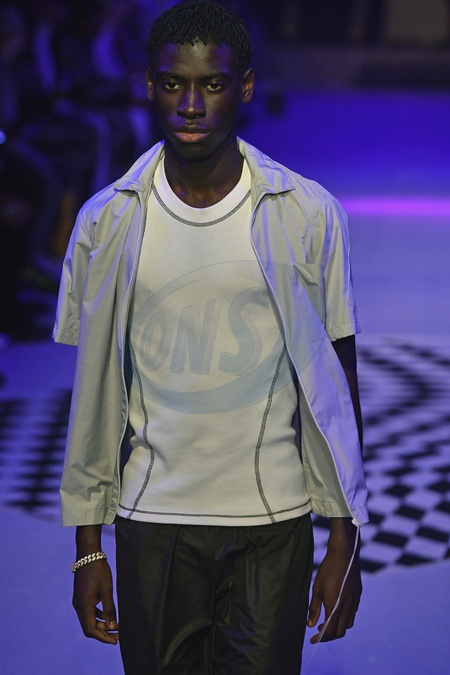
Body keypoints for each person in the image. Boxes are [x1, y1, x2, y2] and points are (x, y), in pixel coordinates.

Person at [53, 2, 368, 673]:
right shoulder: (106, 222)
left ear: (245, 87)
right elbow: (95, 397)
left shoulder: (309, 213)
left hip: (273, 519)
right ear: (149, 85)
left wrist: (345, 534)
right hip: (152, 518)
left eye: (212, 85)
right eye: (174, 84)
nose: (191, 105)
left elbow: (338, 383)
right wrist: (87, 547)